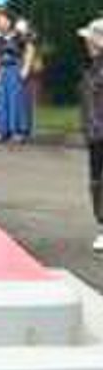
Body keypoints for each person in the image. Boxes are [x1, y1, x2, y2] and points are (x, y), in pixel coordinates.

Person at [0, 11, 35, 144]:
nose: (1, 23)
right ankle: (2, 130)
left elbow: (30, 49)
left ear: (10, 21)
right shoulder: (0, 39)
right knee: (2, 100)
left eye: (4, 20)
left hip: (16, 69)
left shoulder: (19, 36)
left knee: (17, 100)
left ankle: (19, 131)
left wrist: (26, 68)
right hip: (4, 71)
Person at [80, 18, 103, 253]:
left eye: (90, 39)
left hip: (100, 132)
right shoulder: (92, 66)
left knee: (99, 182)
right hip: (95, 134)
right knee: (96, 181)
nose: (86, 43)